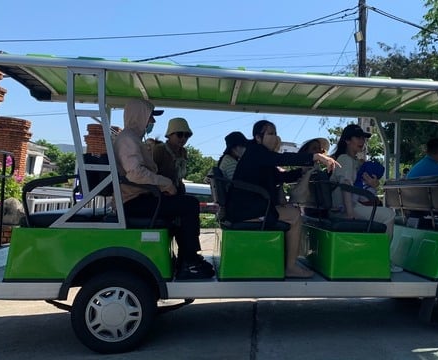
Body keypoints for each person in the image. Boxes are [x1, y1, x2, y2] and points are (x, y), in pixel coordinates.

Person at [114, 99, 213, 280]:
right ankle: (189, 261)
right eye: (150, 117)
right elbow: (135, 173)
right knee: (190, 205)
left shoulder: (134, 139)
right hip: (133, 201)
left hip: (143, 197)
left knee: (183, 206)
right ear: (139, 116)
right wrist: (165, 183)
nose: (153, 121)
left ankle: (186, 258)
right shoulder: (128, 139)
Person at [227, 120, 339, 278]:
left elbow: (280, 177)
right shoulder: (257, 152)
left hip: (248, 207)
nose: (275, 137)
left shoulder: (258, 155)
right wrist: (316, 156)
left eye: (275, 133)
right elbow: (283, 158)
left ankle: (287, 261)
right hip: (247, 210)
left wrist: (301, 171)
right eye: (270, 133)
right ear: (258, 137)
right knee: (294, 215)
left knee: (291, 212)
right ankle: (291, 266)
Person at [329, 124, 401, 272]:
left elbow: (359, 189)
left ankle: (374, 255)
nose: (362, 141)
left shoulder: (354, 161)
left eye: (363, 138)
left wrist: (373, 186)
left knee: (383, 213)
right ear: (347, 140)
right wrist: (350, 214)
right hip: (345, 209)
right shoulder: (345, 159)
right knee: (389, 215)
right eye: (358, 137)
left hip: (350, 206)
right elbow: (345, 187)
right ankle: (381, 258)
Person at [152, 117, 192, 195]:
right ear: (169, 135)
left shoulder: (183, 152)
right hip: (160, 193)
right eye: (179, 134)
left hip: (176, 191)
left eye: (187, 135)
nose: (183, 138)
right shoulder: (159, 149)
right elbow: (151, 173)